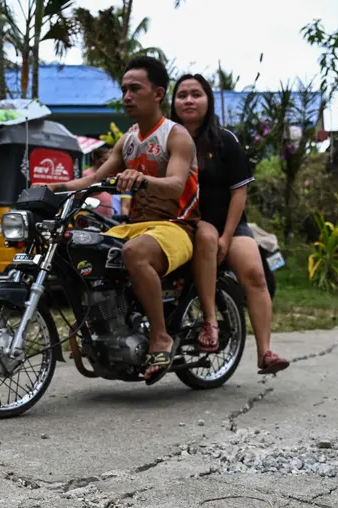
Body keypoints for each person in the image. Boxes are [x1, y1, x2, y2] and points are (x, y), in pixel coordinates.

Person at [47, 56, 200, 381]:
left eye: (135, 89)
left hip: (176, 227)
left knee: (135, 252)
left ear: (158, 93)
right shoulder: (128, 140)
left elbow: (175, 187)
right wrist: (53, 186)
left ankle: (161, 337)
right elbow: (90, 181)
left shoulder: (176, 136)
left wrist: (143, 180)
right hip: (133, 226)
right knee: (79, 247)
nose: (126, 96)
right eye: (124, 89)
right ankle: (101, 328)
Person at [170, 74, 289, 375]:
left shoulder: (225, 140)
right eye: (182, 95)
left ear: (208, 101)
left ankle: (265, 352)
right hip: (183, 225)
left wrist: (226, 236)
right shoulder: (167, 139)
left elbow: (239, 192)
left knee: (255, 274)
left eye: (196, 94)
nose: (188, 100)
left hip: (228, 224)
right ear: (172, 102)